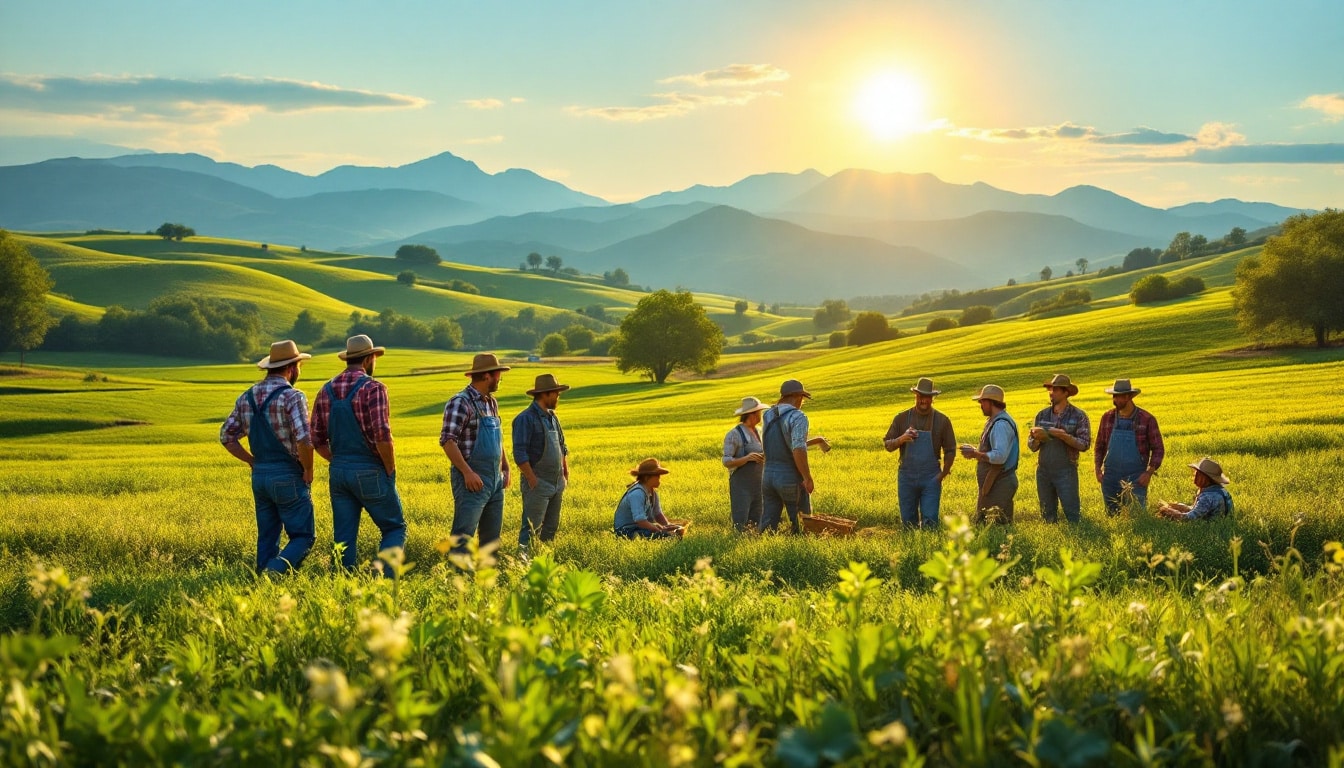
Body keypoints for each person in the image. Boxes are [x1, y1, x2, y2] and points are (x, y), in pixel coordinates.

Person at [310, 334, 406, 576]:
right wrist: (390, 469)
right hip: (370, 470)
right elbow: (382, 435)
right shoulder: (374, 388)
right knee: (394, 527)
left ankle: (343, 583)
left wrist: (339, 461)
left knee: (343, 535)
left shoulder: (326, 390)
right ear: (369, 359)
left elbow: (316, 439)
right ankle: (384, 580)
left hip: (339, 472)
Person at [219, 339, 315, 574]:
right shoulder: (293, 396)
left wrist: (251, 460)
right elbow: (304, 438)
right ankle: (274, 572)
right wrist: (308, 469)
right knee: (303, 536)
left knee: (267, 536)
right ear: (292, 368)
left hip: (260, 477)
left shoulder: (246, 397)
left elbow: (226, 436)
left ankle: (262, 578)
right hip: (288, 475)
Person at [441, 353, 512, 557]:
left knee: (491, 540)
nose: (500, 379)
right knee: (463, 536)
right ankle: (457, 582)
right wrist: (467, 472)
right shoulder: (460, 402)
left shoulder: (491, 402)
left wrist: (505, 466)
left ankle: (486, 584)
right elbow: (448, 441)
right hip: (472, 480)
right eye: (498, 374)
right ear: (487, 376)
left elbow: (498, 438)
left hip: (495, 480)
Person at [883, 377, 956, 528]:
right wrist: (902, 438)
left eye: (927, 397)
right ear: (915, 396)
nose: (924, 400)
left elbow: (950, 450)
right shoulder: (901, 418)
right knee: (908, 522)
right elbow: (888, 445)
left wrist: (942, 474)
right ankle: (912, 550)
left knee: (930, 522)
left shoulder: (942, 420)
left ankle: (929, 550)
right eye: (920, 396)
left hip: (931, 477)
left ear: (932, 398)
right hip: (907, 477)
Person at [761, 379, 830, 533]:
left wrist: (817, 440)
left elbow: (774, 443)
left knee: (768, 525)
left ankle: (762, 552)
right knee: (801, 523)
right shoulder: (798, 416)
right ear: (798, 397)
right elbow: (798, 448)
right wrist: (807, 477)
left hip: (768, 476)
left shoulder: (767, 415)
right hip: (789, 476)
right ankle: (800, 553)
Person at [513, 373, 570, 551]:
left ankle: (544, 563)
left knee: (551, 528)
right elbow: (520, 452)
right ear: (545, 394)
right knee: (531, 529)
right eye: (556, 393)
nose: (558, 396)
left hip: (557, 482)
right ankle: (522, 566)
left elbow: (562, 446)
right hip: (538, 483)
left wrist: (564, 472)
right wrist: (532, 479)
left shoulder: (553, 417)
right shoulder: (525, 418)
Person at [1027, 374, 1092, 523]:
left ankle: (1076, 538)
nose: (1051, 392)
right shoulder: (1042, 415)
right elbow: (1031, 445)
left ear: (1066, 392)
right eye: (1050, 389)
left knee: (1072, 515)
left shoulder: (1079, 416)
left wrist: (1063, 436)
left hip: (1066, 471)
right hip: (1043, 471)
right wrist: (1038, 439)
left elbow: (1084, 444)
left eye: (1055, 390)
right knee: (1047, 515)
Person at [1095, 379, 1164, 515]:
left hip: (1136, 477)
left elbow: (1158, 449)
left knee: (1137, 515)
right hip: (1110, 476)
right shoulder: (1107, 417)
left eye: (1118, 396)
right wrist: (1097, 469)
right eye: (1113, 396)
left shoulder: (1147, 419)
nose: (1114, 399)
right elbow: (1099, 445)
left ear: (1128, 396)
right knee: (1112, 516)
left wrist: (1148, 473)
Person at [961, 384, 1019, 524]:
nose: (980, 404)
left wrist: (975, 454)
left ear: (991, 402)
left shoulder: (1001, 424)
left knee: (993, 526)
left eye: (982, 401)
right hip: (994, 483)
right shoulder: (995, 421)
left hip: (999, 483)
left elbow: (999, 457)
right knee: (990, 525)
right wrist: (976, 450)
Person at [723, 396, 768, 532]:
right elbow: (727, 461)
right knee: (741, 522)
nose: (760, 416)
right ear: (752, 415)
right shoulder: (734, 434)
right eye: (759, 413)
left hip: (759, 483)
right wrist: (747, 458)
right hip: (741, 485)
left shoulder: (760, 431)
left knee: (758, 520)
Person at [613, 458, 682, 539]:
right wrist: (658, 530)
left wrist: (667, 526)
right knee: (667, 537)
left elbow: (657, 514)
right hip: (627, 530)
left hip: (640, 527)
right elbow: (640, 521)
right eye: (657, 476)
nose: (659, 479)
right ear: (646, 477)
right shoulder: (637, 493)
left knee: (676, 530)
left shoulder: (653, 493)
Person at [1158, 457, 1234, 521]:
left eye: (1197, 474)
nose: (1194, 476)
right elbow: (1198, 509)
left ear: (1205, 478)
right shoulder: (1219, 490)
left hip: (1210, 528)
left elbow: (1190, 518)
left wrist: (1170, 512)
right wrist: (1179, 506)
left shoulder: (1207, 496)